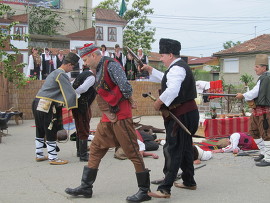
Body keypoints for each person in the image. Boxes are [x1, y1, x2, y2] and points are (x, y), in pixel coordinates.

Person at [65, 43, 151, 202]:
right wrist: (108, 110)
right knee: (96, 148)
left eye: (85, 59)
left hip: (120, 115)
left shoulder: (111, 65)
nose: (83, 63)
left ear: (93, 55)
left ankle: (144, 190)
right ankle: (86, 187)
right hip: (108, 117)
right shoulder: (96, 69)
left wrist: (118, 105)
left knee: (132, 150)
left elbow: (126, 87)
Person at [141, 38, 199, 198]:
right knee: (186, 148)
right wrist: (151, 70)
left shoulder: (177, 69)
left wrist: (159, 102)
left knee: (174, 149)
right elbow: (167, 78)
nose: (161, 58)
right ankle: (189, 181)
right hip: (187, 113)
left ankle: (165, 188)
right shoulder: (177, 67)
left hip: (182, 115)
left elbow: (173, 88)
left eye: (163, 55)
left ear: (171, 55)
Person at [32, 52, 80, 165]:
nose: (72, 68)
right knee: (50, 129)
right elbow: (69, 92)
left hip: (37, 101)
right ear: (68, 64)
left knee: (40, 129)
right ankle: (53, 158)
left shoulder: (54, 72)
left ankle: (39, 154)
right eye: (72, 66)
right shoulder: (61, 74)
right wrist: (77, 99)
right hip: (47, 104)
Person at [236, 54, 270, 167]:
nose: (255, 69)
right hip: (258, 109)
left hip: (265, 110)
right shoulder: (263, 78)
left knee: (266, 133)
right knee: (254, 131)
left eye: (257, 66)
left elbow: (254, 93)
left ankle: (269, 158)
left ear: (264, 67)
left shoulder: (265, 78)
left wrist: (242, 95)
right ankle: (263, 153)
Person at [72, 64, 96, 162]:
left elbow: (72, 84)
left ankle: (79, 151)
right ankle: (83, 155)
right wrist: (76, 94)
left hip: (77, 105)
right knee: (84, 128)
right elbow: (83, 89)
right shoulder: (91, 77)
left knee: (79, 127)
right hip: (82, 106)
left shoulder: (82, 74)